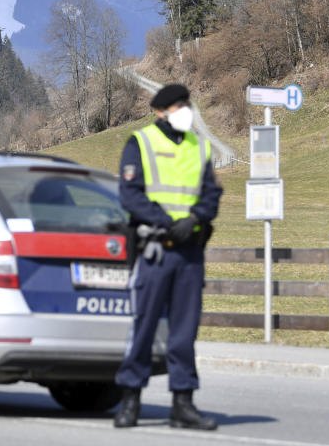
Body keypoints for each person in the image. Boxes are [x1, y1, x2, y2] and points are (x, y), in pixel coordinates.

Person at [112, 83, 223, 430]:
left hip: (189, 252)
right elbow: (131, 196)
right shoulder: (141, 143)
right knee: (144, 328)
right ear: (161, 111)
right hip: (156, 251)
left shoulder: (199, 147)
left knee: (184, 333)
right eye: (178, 106)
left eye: (187, 104)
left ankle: (183, 403)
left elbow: (211, 195)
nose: (185, 111)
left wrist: (194, 219)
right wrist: (167, 222)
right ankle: (130, 400)